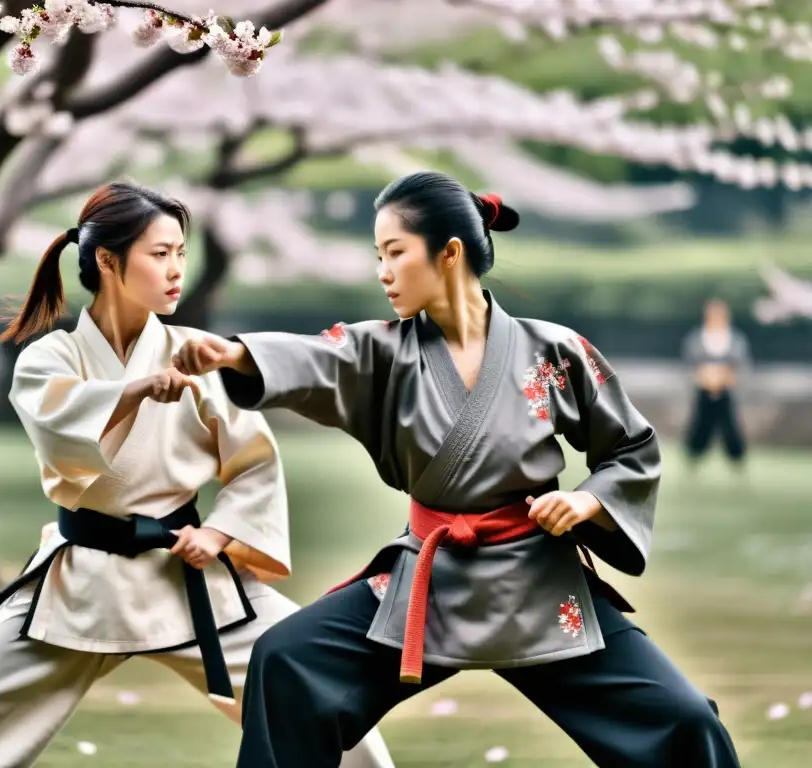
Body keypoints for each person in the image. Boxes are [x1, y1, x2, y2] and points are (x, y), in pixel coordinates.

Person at [173, 171, 742, 768]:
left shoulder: (554, 351)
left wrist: (587, 502)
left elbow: (631, 448)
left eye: (395, 253)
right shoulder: (383, 351)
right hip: (430, 581)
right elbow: (321, 358)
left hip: (539, 585)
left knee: (685, 722)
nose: (383, 271)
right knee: (287, 660)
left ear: (449, 253)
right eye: (378, 256)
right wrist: (235, 353)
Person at [0, 182, 394, 768]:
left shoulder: (199, 353)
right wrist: (139, 389)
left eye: (180, 253)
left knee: (318, 697)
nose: (176, 271)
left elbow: (253, 465)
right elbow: (64, 433)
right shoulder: (51, 359)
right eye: (159, 253)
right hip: (80, 577)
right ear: (107, 260)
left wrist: (217, 534)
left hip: (188, 575)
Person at [681, 298, 750, 468]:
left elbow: (742, 367)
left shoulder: (736, 340)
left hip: (726, 392)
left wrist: (725, 378)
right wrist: (704, 377)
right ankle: (693, 457)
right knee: (700, 426)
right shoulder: (696, 339)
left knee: (730, 428)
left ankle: (737, 459)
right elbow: (689, 366)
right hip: (703, 391)